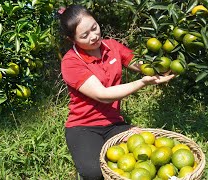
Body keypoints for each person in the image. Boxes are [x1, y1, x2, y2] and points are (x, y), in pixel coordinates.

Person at [59, 4, 175, 180]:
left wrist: (160, 69)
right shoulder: (71, 62)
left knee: (149, 150)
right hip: (84, 127)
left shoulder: (111, 46)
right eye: (85, 35)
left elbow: (140, 64)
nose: (94, 36)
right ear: (72, 39)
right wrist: (143, 82)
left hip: (114, 124)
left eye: (94, 27)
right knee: (94, 173)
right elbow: (102, 95)